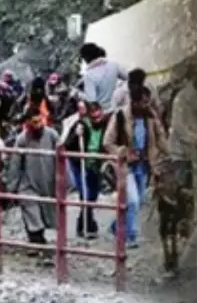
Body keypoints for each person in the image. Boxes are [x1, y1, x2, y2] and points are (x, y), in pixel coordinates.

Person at [103, 83, 169, 248]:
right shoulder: (119, 116)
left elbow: (160, 137)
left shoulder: (150, 116)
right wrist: (124, 152)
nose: (146, 105)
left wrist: (169, 153)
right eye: (143, 102)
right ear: (134, 102)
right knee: (132, 200)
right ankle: (130, 236)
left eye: (148, 102)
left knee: (137, 201)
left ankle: (115, 227)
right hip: (125, 166)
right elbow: (107, 142)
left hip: (144, 165)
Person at [5, 110, 59, 247]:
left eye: (40, 121)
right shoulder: (22, 139)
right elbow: (15, 165)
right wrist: (12, 188)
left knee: (48, 212)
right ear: (28, 123)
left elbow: (61, 157)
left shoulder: (52, 135)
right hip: (28, 183)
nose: (38, 125)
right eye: (34, 122)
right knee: (30, 209)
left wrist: (62, 181)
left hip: (48, 180)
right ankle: (36, 239)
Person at [62, 100, 107, 239]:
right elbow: (67, 145)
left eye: (99, 115)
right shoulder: (80, 125)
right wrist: (76, 134)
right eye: (93, 116)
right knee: (85, 195)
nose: (96, 118)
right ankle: (88, 226)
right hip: (79, 164)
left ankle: (84, 223)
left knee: (92, 196)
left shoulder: (106, 126)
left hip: (95, 165)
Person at [78, 43, 128, 112]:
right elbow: (128, 77)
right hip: (126, 100)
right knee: (140, 117)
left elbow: (92, 99)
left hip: (111, 111)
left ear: (86, 59)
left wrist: (79, 95)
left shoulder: (88, 76)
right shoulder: (113, 65)